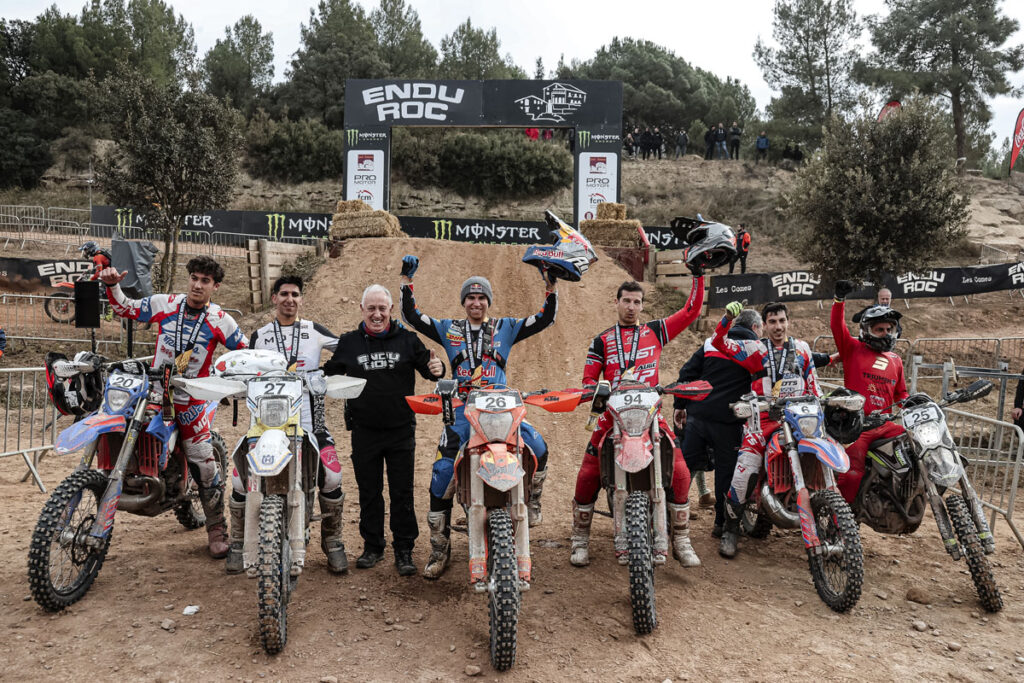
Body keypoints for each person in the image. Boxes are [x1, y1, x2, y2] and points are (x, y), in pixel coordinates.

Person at [400, 256, 557, 579]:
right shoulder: (448, 328)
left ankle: (534, 500)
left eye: (481, 297)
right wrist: (406, 282)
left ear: (488, 301)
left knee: (539, 448)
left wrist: (550, 286)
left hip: (502, 407)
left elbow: (544, 319)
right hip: (463, 409)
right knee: (442, 474)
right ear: (463, 302)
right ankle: (439, 547)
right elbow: (413, 316)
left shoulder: (506, 327)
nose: (476, 302)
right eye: (470, 297)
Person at [98, 256, 247, 558]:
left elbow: (244, 352)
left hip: (191, 399)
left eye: (205, 281)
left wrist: (228, 375)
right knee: (117, 426)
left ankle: (217, 529)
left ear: (215, 286)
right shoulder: (165, 303)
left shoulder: (221, 319)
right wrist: (113, 286)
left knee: (204, 462)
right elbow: (126, 308)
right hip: (155, 391)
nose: (197, 285)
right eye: (194, 278)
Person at [570, 269, 706, 569]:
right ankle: (580, 538)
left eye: (637, 302)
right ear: (616, 302)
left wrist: (698, 275)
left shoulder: (656, 331)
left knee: (681, 470)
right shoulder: (602, 340)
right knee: (588, 472)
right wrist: (595, 390)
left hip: (651, 414)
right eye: (626, 301)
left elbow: (691, 311)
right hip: (613, 415)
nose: (631, 307)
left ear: (643, 305)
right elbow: (588, 380)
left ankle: (681, 539)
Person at [324, 284, 445, 576]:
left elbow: (430, 369)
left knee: (402, 492)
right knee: (369, 491)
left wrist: (438, 367)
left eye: (382, 308)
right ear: (362, 310)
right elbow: (329, 372)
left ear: (390, 309)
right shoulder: (349, 343)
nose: (377, 314)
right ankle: (373, 546)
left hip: (400, 429)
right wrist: (305, 373)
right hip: (364, 430)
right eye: (371, 308)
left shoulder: (407, 340)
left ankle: (404, 549)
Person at [228, 275, 346, 574]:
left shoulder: (314, 330)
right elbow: (243, 368)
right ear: (274, 298)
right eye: (284, 294)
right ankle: (238, 542)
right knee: (240, 480)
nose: (289, 299)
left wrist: (332, 371)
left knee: (332, 477)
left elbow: (347, 349)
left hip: (311, 421)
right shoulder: (260, 336)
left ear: (301, 299)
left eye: (295, 294)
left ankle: (333, 541)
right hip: (265, 423)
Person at [711, 301, 822, 559]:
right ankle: (730, 529)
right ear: (764, 325)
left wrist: (821, 405)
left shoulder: (803, 349)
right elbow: (719, 343)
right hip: (762, 422)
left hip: (799, 420)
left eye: (782, 320)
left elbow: (814, 385)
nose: (778, 326)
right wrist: (726, 319)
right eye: (772, 322)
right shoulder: (755, 348)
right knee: (745, 471)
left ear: (788, 322)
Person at [674, 308, 762, 537]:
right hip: (729, 421)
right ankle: (721, 524)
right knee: (726, 474)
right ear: (755, 327)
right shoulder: (756, 349)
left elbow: (686, 373)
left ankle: (668, 519)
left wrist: (680, 405)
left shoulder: (710, 343)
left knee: (684, 468)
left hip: (698, 416)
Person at [831, 280, 908, 503]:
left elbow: (901, 394)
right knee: (851, 474)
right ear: (867, 331)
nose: (885, 333)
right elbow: (837, 327)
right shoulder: (853, 349)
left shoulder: (896, 360)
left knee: (915, 450)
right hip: (858, 427)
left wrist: (912, 405)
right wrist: (839, 300)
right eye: (879, 329)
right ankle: (841, 516)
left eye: (889, 329)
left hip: (886, 425)